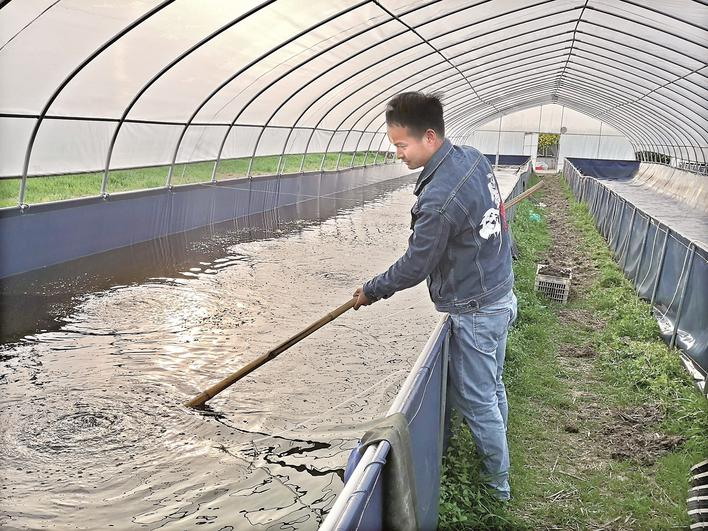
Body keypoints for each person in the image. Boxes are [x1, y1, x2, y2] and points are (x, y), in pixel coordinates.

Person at [352, 91, 517, 501]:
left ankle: (498, 491)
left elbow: (415, 265)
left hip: (477, 309)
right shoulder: (473, 157)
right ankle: (499, 456)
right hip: (499, 291)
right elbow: (496, 213)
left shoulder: (439, 199)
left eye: (401, 145)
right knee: (492, 386)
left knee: (478, 402)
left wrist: (371, 290)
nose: (398, 154)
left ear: (429, 137)